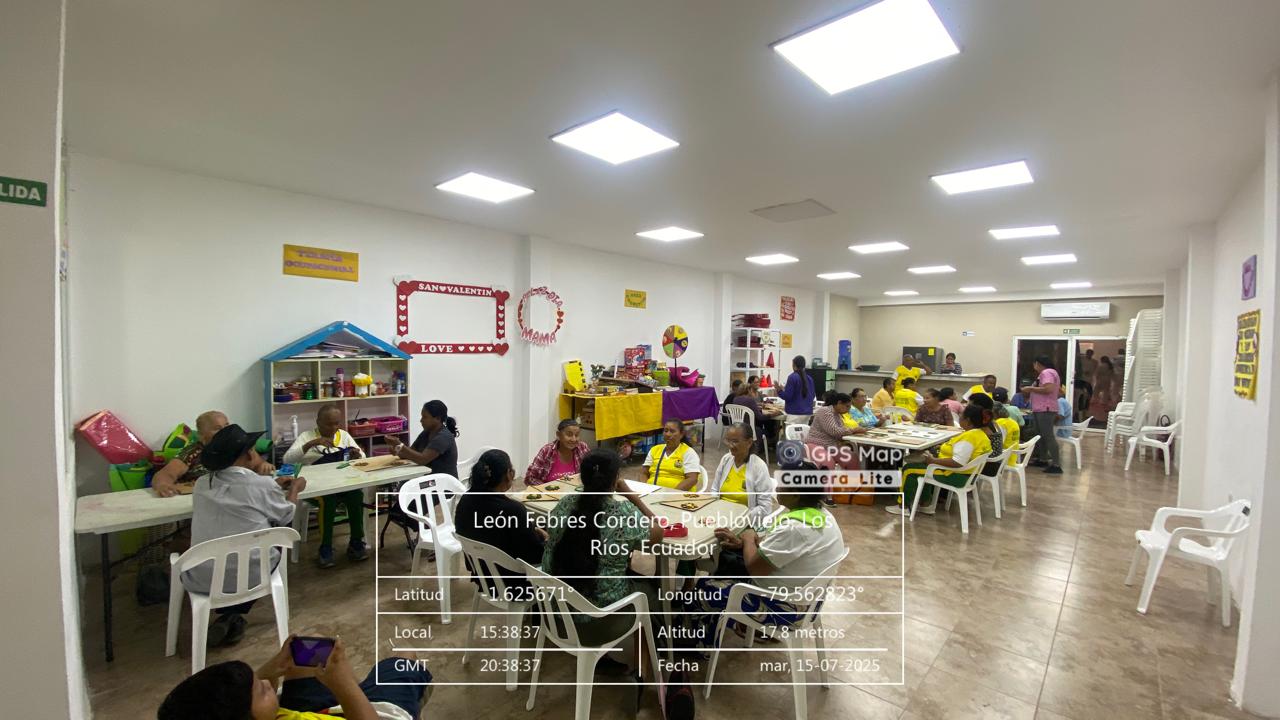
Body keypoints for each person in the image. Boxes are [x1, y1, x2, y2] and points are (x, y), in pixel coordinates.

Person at [685, 472, 846, 646]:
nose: (777, 489)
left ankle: (698, 646)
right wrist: (741, 543)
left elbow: (755, 569)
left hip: (783, 609)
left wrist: (748, 538)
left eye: (782, 486)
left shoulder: (795, 528)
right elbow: (777, 546)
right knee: (730, 563)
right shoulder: (822, 516)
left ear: (796, 495)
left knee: (703, 589)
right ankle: (723, 627)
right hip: (811, 603)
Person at [184, 424, 304, 648]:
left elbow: (240, 492)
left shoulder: (201, 484)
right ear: (249, 454)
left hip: (201, 577)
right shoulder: (260, 485)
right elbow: (286, 514)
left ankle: (231, 618)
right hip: (251, 576)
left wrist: (271, 486)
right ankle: (232, 615)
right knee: (274, 538)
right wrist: (295, 488)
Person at [543, 449, 665, 648]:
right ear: (615, 480)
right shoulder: (624, 514)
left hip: (555, 615)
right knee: (651, 589)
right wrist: (632, 496)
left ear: (583, 478)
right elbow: (658, 533)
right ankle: (644, 663)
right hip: (597, 626)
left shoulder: (566, 504)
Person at [157, 636, 431, 720]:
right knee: (404, 657)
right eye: (261, 691)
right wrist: (344, 686)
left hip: (313, 712)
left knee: (308, 655)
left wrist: (274, 667)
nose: (268, 684)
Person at [283, 403, 367, 568]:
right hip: (316, 487)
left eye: (337, 423)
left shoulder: (343, 436)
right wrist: (310, 444)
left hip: (341, 483)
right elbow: (287, 459)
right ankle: (325, 547)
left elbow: (362, 456)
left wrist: (357, 454)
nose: (334, 428)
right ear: (318, 422)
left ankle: (356, 542)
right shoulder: (307, 436)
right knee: (327, 500)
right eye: (329, 424)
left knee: (356, 495)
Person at [454, 449, 546, 582]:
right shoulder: (513, 510)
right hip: (514, 583)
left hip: (481, 574)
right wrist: (547, 540)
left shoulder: (465, 500)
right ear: (509, 474)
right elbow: (536, 556)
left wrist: (531, 529)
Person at [887, 405, 992, 516]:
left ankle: (903, 506)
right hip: (967, 475)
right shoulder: (980, 434)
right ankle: (925, 504)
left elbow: (957, 462)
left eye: (961, 415)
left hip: (954, 475)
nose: (959, 417)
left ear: (968, 421)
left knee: (909, 469)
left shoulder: (969, 437)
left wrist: (933, 461)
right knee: (921, 466)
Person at [152, 411, 275, 498]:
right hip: (202, 501)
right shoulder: (192, 452)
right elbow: (165, 474)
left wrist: (264, 465)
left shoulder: (239, 447)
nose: (225, 431)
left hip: (237, 497)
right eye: (217, 428)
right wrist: (163, 485)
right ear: (201, 436)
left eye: (227, 426)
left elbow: (258, 462)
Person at [709, 423, 776, 524]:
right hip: (721, 516)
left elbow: (765, 507)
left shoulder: (758, 467)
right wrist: (715, 510)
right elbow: (714, 489)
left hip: (745, 521)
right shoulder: (726, 460)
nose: (730, 445)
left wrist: (739, 520)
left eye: (735, 441)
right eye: (728, 440)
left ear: (749, 442)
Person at [386, 400, 459, 478]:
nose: (421, 420)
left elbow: (422, 460)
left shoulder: (443, 437)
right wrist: (397, 451)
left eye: (425, 417)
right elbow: (411, 453)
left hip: (444, 482)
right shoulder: (426, 433)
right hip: (430, 479)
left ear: (437, 419)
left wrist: (400, 445)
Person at [1021, 355, 1064, 474]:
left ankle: (1056, 464)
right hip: (1040, 408)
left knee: (1048, 436)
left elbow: (1048, 389)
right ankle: (1042, 459)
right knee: (1040, 435)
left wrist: (1030, 388)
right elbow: (1058, 391)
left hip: (1045, 409)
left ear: (1038, 363)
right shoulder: (1050, 373)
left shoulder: (1047, 372)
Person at [804, 392, 859, 479]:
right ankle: (827, 486)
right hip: (816, 444)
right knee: (828, 462)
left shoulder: (837, 414)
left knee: (852, 458)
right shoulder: (825, 411)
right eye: (847, 406)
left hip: (830, 446)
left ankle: (853, 482)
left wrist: (850, 432)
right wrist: (853, 430)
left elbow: (841, 431)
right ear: (839, 403)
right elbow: (834, 431)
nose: (848, 410)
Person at [525, 419, 590, 486]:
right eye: (569, 435)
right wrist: (547, 489)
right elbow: (530, 478)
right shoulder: (547, 451)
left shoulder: (582, 447)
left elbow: (591, 471)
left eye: (577, 435)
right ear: (558, 435)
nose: (574, 439)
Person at [642, 420, 701, 490]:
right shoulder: (654, 450)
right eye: (666, 431)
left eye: (672, 431)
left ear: (681, 434)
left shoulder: (688, 452)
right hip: (652, 493)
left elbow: (692, 479)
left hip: (678, 494)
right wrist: (644, 489)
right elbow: (644, 473)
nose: (668, 434)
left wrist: (672, 493)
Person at [731, 383, 780, 450]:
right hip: (749, 428)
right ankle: (770, 443)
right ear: (748, 390)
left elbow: (746, 406)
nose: (752, 392)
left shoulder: (735, 399)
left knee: (763, 424)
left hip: (738, 426)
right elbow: (760, 417)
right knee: (769, 426)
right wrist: (772, 415)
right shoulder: (750, 400)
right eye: (751, 390)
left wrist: (756, 406)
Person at [777, 355, 816, 420]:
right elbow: (813, 395)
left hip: (794, 413)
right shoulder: (809, 378)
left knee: (791, 427)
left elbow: (787, 396)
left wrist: (779, 391)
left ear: (794, 366)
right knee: (804, 427)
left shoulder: (792, 377)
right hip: (807, 413)